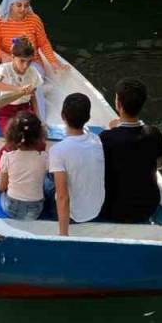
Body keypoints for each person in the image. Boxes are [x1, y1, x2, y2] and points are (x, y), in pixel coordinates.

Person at [0, 38, 45, 193]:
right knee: (14, 140)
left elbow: (33, 96)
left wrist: (38, 118)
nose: (25, 66)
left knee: (39, 140)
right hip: (6, 111)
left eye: (29, 62)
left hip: (25, 110)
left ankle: (34, 177)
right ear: (13, 57)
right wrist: (17, 89)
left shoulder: (33, 73)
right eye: (22, 61)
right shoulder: (4, 69)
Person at [98, 78, 162, 223]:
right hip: (148, 206)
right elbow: (160, 165)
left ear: (118, 104)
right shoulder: (154, 134)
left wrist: (113, 129)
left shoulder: (106, 138)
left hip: (113, 209)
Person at [49, 93, 105, 236]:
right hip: (96, 210)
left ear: (63, 116)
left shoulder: (57, 150)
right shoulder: (96, 140)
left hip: (75, 217)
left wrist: (63, 234)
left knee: (45, 182)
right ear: (88, 118)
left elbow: (62, 197)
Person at [0, 0, 65, 74]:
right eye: (19, 5)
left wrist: (53, 62)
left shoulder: (35, 20)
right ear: (11, 4)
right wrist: (4, 56)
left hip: (32, 62)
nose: (23, 9)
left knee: (32, 78)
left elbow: (43, 43)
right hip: (9, 62)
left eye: (26, 5)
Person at [0, 110, 48, 220]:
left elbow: (3, 186)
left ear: (12, 134)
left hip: (12, 208)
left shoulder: (7, 157)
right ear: (39, 135)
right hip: (36, 210)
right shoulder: (45, 158)